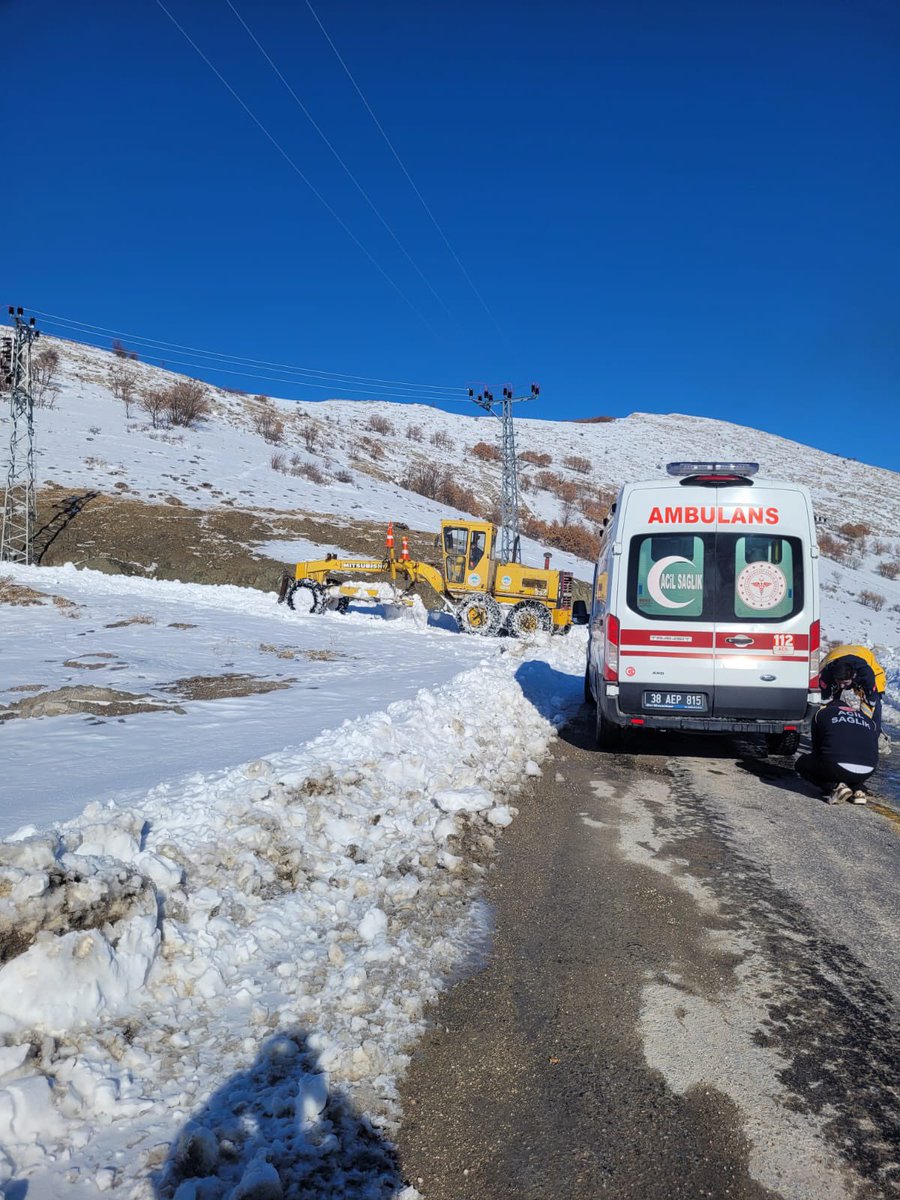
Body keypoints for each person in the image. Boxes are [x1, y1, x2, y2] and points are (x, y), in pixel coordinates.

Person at [795, 669, 879, 803]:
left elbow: (817, 749)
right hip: (868, 770)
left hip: (838, 766)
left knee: (803, 764)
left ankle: (835, 787)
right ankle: (859, 790)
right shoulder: (867, 720)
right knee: (845, 767)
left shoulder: (822, 714)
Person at [819, 644, 888, 748]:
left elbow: (870, 703)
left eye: (845, 683)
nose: (842, 686)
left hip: (864, 657)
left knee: (876, 701)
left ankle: (874, 736)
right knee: (831, 702)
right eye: (839, 682)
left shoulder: (866, 675)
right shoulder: (826, 675)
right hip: (834, 656)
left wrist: (864, 727)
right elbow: (823, 704)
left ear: (853, 677)